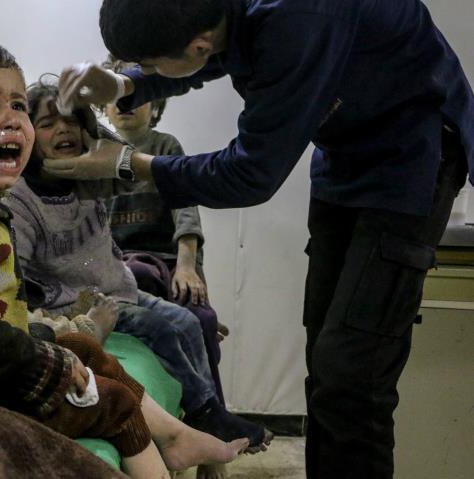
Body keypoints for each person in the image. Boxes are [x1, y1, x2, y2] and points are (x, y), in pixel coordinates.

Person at [42, 1, 474, 477]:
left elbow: (250, 174)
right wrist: (126, 84)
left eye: (149, 64)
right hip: (344, 159)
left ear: (199, 43)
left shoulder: (301, 19)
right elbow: (219, 55)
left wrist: (128, 163)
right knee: (326, 364)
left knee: (353, 373)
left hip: (411, 156)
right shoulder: (226, 16)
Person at [0, 41, 248, 479]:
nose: (11, 118)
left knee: (84, 346)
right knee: (114, 404)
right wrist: (55, 364)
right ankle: (163, 456)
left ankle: (175, 435)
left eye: (17, 105)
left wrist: (57, 337)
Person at [6, 77, 272, 464]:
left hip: (118, 285)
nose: (63, 130)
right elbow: (21, 273)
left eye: (72, 121)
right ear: (29, 135)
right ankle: (204, 413)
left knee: (187, 321)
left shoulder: (90, 176)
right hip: (77, 301)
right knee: (159, 328)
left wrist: (90, 126)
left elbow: (122, 159)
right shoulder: (21, 198)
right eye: (47, 124)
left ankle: (210, 409)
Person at [102, 57, 228, 406]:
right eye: (117, 97)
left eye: (136, 96)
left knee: (204, 318)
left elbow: (185, 210)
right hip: (121, 266)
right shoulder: (97, 152)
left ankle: (215, 413)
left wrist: (187, 266)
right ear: (103, 107)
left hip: (170, 262)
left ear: (155, 103)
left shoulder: (165, 147)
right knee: (139, 279)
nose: (126, 105)